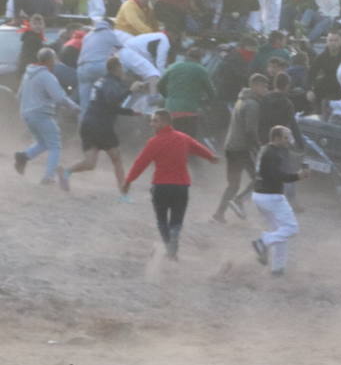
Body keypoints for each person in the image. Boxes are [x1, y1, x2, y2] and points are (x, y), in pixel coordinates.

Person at [122, 109, 219, 259]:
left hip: (161, 187)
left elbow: (140, 163)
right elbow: (198, 148)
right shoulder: (183, 138)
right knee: (176, 221)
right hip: (181, 187)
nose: (151, 124)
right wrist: (211, 157)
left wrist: (128, 181)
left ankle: (169, 248)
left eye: (155, 121)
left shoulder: (153, 142)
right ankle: (173, 241)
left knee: (161, 221)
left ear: (166, 122)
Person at [66, 56, 140, 197]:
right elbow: (112, 101)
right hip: (101, 125)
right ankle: (124, 194)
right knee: (116, 158)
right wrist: (131, 90)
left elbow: (107, 106)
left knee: (90, 163)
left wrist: (131, 112)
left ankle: (66, 172)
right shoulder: (110, 82)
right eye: (122, 68)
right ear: (116, 69)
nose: (123, 71)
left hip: (88, 124)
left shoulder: (102, 81)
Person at [14, 48, 80, 187]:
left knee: (43, 142)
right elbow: (59, 97)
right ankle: (48, 177)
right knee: (55, 144)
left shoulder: (28, 73)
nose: (55, 62)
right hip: (40, 113)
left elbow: (19, 94)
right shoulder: (47, 76)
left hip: (27, 113)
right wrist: (73, 106)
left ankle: (23, 156)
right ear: (50, 60)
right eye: (54, 59)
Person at [248, 125, 307, 276]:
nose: (289, 140)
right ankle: (263, 242)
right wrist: (297, 176)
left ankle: (277, 269)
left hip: (260, 195)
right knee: (291, 228)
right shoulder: (272, 154)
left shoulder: (268, 150)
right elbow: (278, 175)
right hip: (271, 196)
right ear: (276, 138)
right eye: (286, 137)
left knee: (280, 232)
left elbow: (282, 164)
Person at [213, 74, 269, 222]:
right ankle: (240, 201)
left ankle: (219, 214)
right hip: (242, 148)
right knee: (260, 179)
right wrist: (258, 148)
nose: (266, 90)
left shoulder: (242, 99)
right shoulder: (253, 104)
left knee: (233, 184)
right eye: (264, 86)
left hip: (231, 146)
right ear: (255, 86)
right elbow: (250, 130)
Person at [159, 47, 216, 140]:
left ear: (186, 56)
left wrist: (168, 97)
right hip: (191, 111)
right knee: (188, 140)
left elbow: (160, 85)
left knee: (171, 139)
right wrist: (208, 102)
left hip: (172, 111)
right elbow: (211, 91)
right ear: (200, 58)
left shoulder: (173, 67)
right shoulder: (201, 70)